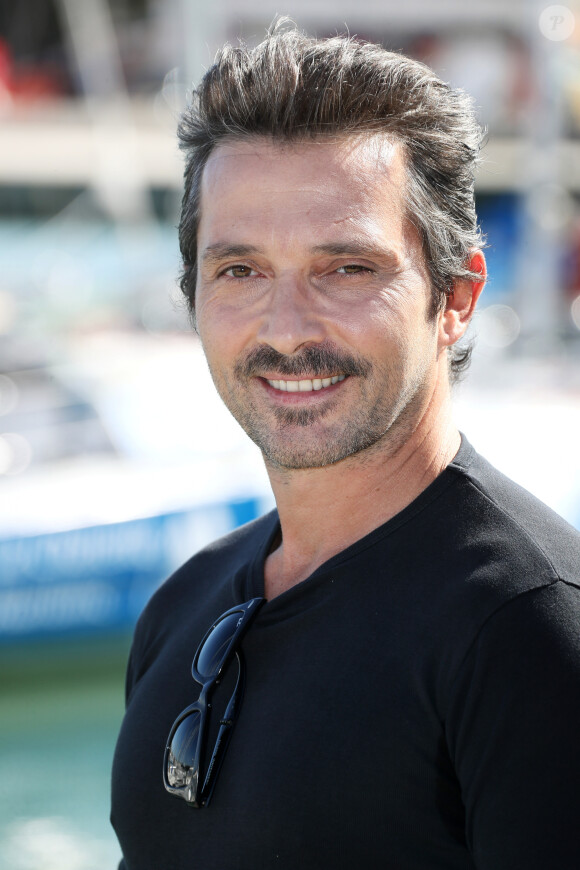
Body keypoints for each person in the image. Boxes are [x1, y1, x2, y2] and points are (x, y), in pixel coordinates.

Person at [111, 22, 580, 870]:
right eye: (241, 271)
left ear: (457, 296)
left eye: (347, 269)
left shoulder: (532, 631)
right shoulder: (184, 606)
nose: (287, 331)